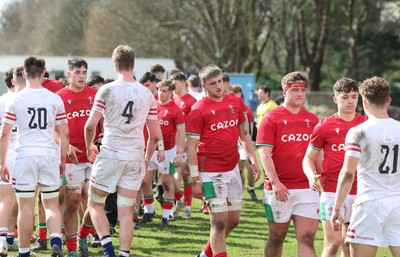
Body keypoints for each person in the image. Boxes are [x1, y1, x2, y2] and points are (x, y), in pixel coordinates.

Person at [84, 45, 159, 257]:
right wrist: (145, 160)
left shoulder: (106, 90)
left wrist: (90, 145)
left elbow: (90, 126)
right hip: (134, 155)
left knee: (95, 204)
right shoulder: (147, 94)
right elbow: (154, 136)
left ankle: (109, 251)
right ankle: (124, 254)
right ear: (133, 65)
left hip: (110, 153)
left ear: (114, 65)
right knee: (126, 210)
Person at [187, 65, 260, 257]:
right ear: (204, 86)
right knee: (218, 222)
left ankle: (204, 254)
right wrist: (195, 181)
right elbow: (191, 148)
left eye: (220, 81)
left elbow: (245, 136)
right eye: (213, 83)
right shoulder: (198, 110)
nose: (218, 86)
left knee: (233, 221)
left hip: (233, 169)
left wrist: (253, 161)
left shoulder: (235, 102)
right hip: (210, 172)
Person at [0, 56, 70, 257]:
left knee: (25, 207)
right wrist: (62, 158)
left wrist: (2, 163)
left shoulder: (16, 99)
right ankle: (56, 241)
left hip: (24, 156)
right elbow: (64, 133)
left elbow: (5, 134)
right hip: (48, 154)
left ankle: (23, 251)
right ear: (43, 72)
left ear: (23, 74)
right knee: (51, 204)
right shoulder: (54, 98)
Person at [331, 77, 400, 257]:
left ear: (364, 102)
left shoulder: (359, 131)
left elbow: (347, 174)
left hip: (370, 203)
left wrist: (336, 207)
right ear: (389, 101)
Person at [256, 71, 319, 257]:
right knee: (277, 237)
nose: (300, 94)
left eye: (303, 90)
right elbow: (264, 154)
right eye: (295, 90)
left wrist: (322, 178)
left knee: (307, 238)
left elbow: (318, 155)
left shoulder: (312, 120)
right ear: (285, 92)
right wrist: (275, 182)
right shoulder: (271, 118)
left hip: (307, 188)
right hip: (279, 189)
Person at [302, 78, 367, 257]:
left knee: (351, 244)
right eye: (345, 97)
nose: (350, 101)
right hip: (331, 191)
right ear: (335, 99)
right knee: (333, 243)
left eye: (354, 97)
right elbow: (308, 158)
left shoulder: (366, 125)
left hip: (361, 191)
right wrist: (310, 175)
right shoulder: (324, 126)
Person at [56, 56, 100, 257]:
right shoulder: (60, 97)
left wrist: (99, 143)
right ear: (69, 74)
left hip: (94, 156)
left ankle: (84, 234)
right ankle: (73, 249)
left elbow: (104, 124)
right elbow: (53, 130)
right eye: (77, 72)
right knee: (73, 201)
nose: (82, 76)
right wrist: (66, 146)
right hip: (72, 158)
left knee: (94, 201)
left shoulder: (96, 94)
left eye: (84, 72)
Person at [142, 79, 185, 227]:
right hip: (151, 149)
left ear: (171, 92)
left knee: (167, 183)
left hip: (168, 151)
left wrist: (179, 154)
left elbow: (181, 134)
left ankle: (166, 216)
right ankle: (149, 210)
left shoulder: (176, 110)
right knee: (144, 181)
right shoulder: (152, 105)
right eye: (160, 90)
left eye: (165, 91)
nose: (161, 93)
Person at [0, 67, 21, 256]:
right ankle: (5, 240)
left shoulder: (0, 101)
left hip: (3, 152)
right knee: (12, 199)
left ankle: (6, 240)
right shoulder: (19, 101)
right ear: (14, 81)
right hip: (15, 152)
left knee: (5, 199)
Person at [171, 72, 197, 218]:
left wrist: (188, 142)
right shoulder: (173, 98)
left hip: (185, 143)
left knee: (185, 174)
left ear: (182, 83)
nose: (173, 86)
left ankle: (187, 206)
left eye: (175, 83)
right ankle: (178, 199)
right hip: (171, 143)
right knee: (170, 176)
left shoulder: (191, 101)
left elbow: (193, 125)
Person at [230, 84, 258, 200]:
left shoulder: (247, 109)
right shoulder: (229, 107)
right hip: (233, 142)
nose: (237, 95)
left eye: (239, 93)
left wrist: (251, 141)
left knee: (250, 168)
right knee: (239, 168)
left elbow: (251, 127)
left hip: (244, 142)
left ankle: (251, 187)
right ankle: (239, 192)